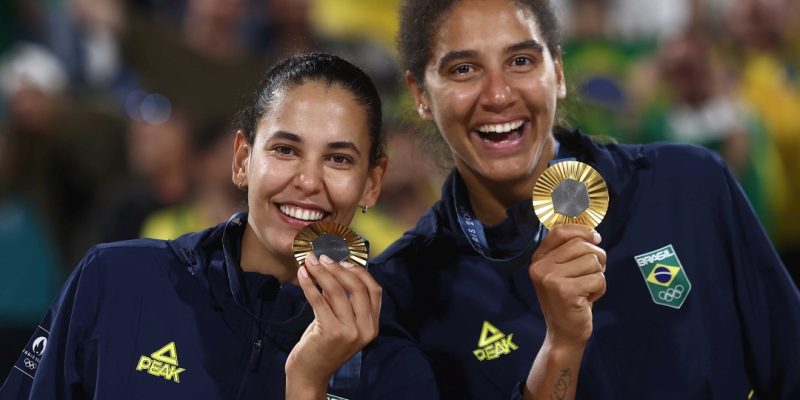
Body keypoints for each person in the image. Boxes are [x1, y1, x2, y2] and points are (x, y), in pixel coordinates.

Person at [370, 0, 800, 399]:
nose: (498, 95)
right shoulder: (407, 292)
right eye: (463, 70)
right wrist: (560, 346)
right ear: (420, 96)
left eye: (521, 61)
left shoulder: (690, 187)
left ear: (557, 71)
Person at [0, 52, 438, 399]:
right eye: (285, 150)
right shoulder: (116, 281)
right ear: (242, 159)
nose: (307, 181)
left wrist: (308, 385)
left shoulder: (393, 368)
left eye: (338, 159)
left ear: (372, 183)